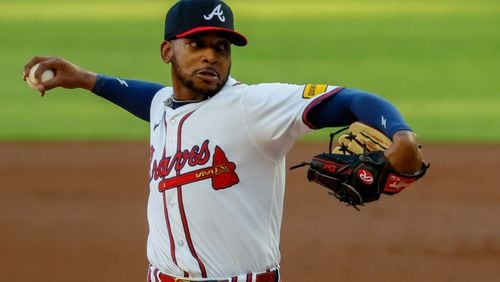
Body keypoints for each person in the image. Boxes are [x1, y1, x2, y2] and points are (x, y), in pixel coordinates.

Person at [22, 0, 425, 281]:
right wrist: (87, 79)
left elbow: (354, 100)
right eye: (196, 45)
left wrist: (401, 135)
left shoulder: (253, 107)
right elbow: (150, 99)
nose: (211, 57)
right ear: (167, 50)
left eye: (221, 47)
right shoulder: (165, 104)